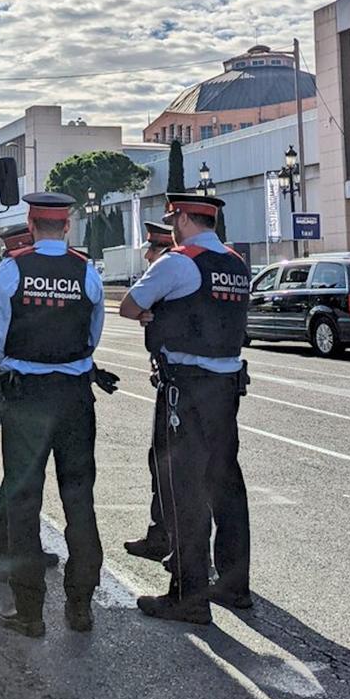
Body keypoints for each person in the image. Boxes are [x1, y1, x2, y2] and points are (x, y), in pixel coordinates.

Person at [118, 193, 252, 624]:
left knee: (183, 489)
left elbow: (129, 306)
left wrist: (154, 315)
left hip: (187, 389)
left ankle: (187, 595)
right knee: (226, 485)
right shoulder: (235, 263)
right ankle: (233, 584)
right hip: (226, 386)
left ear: (184, 219)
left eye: (173, 217)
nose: (172, 224)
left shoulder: (179, 261)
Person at [0, 192, 104, 637]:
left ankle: (29, 611)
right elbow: (93, 337)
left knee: (23, 503)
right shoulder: (86, 271)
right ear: (67, 226)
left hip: (26, 396)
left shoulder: (13, 269)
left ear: (31, 225)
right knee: (79, 500)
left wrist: (16, 362)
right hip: (74, 396)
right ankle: (81, 606)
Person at [0, 223, 58, 579]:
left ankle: (13, 547)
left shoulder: (8, 277)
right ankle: (4, 552)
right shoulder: (4, 278)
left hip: (20, 380)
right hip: (19, 383)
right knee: (22, 476)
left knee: (25, 474)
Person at [123, 218, 179, 561]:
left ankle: (176, 544)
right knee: (160, 460)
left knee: (171, 463)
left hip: (180, 383)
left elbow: (129, 305)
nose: (147, 255)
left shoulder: (173, 270)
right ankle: (161, 535)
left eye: (152, 248)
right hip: (169, 377)